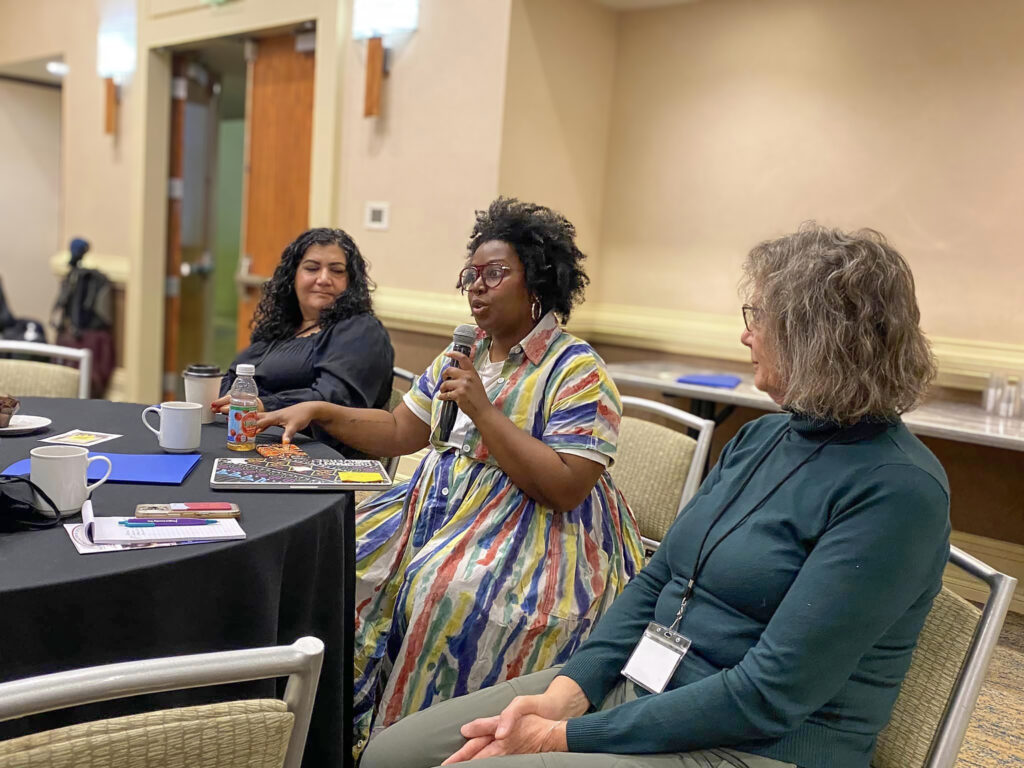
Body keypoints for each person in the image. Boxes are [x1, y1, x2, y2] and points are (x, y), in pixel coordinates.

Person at [358, 223, 951, 768]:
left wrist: (565, 735)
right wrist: (572, 690)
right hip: (645, 686)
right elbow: (659, 575)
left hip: (751, 744)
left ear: (818, 336)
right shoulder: (764, 436)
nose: (745, 332)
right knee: (393, 755)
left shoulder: (897, 493)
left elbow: (768, 695)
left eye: (760, 316)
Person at [255, 198, 645, 755]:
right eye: (472, 275)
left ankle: (420, 748)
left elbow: (564, 487)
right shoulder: (466, 352)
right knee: (341, 552)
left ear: (537, 280)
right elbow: (397, 431)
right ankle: (334, 738)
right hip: (436, 506)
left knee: (446, 592)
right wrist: (320, 412)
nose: (477, 287)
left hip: (532, 531)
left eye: (495, 274)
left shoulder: (576, 368)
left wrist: (484, 412)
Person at [215, 227, 394, 454]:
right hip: (248, 440)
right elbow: (237, 378)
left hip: (314, 457)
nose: (323, 279)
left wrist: (263, 405)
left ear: (351, 282)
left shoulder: (360, 330)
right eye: (311, 268)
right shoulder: (281, 328)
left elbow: (336, 399)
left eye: (337, 271)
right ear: (293, 277)